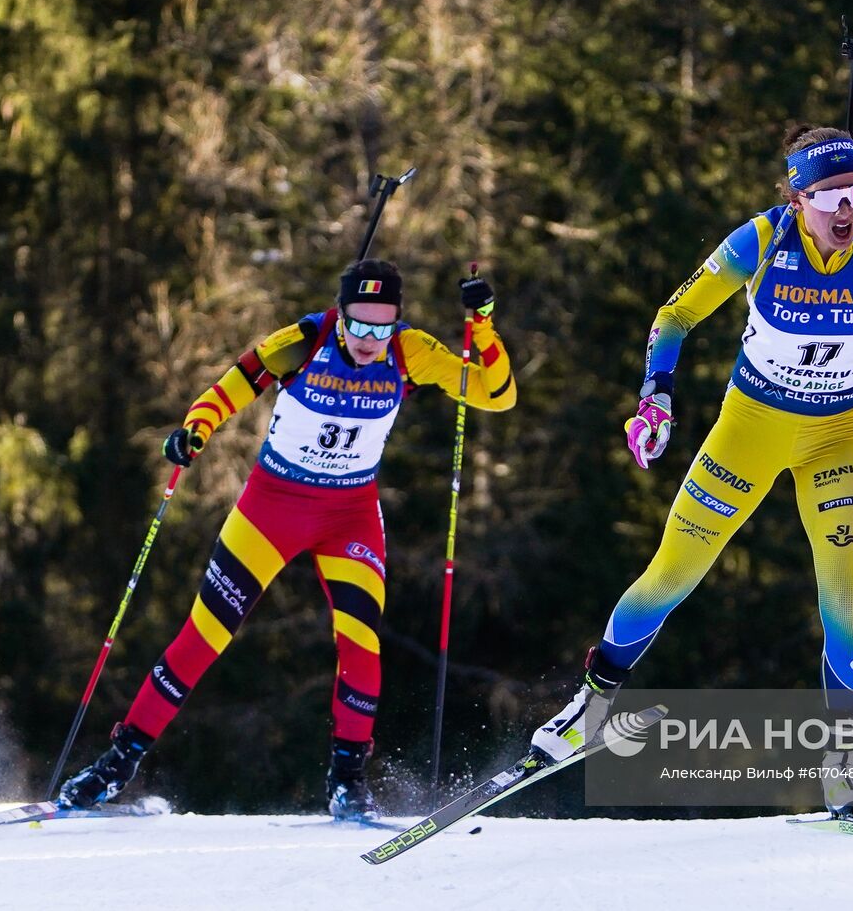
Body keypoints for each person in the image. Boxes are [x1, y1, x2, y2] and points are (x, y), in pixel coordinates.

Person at [529, 124, 853, 818]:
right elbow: (675, 316)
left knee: (845, 598)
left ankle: (843, 762)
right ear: (798, 199)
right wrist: (656, 398)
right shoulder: (761, 240)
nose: (848, 208)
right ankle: (590, 708)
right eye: (831, 196)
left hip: (838, 438)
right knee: (672, 575)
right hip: (750, 428)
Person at [59, 259, 516, 820]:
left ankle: (348, 782)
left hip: (349, 516)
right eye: (359, 325)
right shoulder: (303, 340)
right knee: (204, 636)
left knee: (361, 645)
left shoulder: (410, 351)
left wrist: (482, 324)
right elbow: (230, 387)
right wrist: (195, 430)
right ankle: (117, 763)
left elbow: (497, 395)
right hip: (271, 509)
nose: (370, 340)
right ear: (340, 314)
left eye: (382, 327)